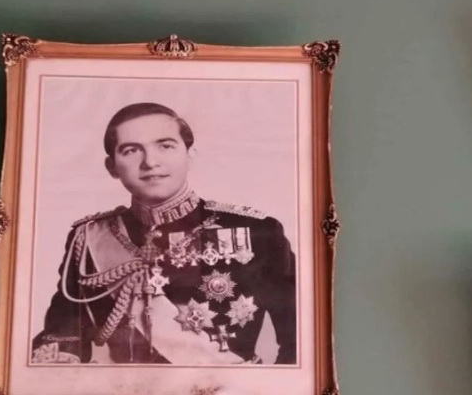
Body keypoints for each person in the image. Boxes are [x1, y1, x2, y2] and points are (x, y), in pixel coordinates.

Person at [31, 102, 296, 365]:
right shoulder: (89, 238)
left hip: (229, 389)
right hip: (125, 389)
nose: (150, 162)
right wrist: (60, 359)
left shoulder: (258, 231)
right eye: (131, 150)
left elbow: (301, 339)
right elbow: (63, 332)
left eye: (165, 146)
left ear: (190, 155)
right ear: (111, 166)